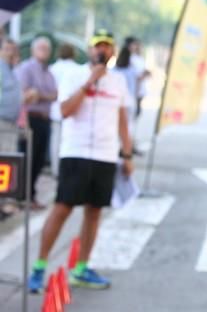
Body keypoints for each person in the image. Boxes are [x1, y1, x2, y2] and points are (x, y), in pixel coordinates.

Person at [28, 29, 134, 293]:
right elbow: (65, 111)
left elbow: (123, 121)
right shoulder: (74, 74)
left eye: (108, 47)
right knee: (63, 208)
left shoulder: (118, 82)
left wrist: (128, 154)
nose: (103, 51)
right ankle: (39, 268)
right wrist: (89, 82)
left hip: (105, 154)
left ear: (113, 52)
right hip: (75, 152)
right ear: (90, 50)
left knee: (94, 211)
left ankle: (81, 268)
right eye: (99, 46)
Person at [15, 36, 57, 209]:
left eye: (46, 49)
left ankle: (30, 195)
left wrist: (39, 94)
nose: (44, 52)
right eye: (41, 48)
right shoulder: (26, 68)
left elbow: (54, 95)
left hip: (44, 120)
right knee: (27, 159)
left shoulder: (49, 72)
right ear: (33, 50)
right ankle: (21, 197)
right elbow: (25, 95)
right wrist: (40, 95)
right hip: (30, 119)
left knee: (39, 160)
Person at [49, 43, 81, 177]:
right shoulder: (78, 69)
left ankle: (56, 170)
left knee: (56, 142)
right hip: (72, 110)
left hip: (56, 110)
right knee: (70, 142)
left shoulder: (52, 69)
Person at [0, 38, 22, 219]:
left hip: (10, 122)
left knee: (7, 162)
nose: (10, 52)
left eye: (12, 49)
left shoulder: (12, 70)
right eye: (7, 49)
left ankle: (5, 202)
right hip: (2, 122)